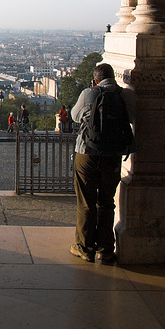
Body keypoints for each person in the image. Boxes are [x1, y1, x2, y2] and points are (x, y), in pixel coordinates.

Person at [70, 62, 135, 263]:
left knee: (86, 201)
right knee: (107, 202)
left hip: (87, 153)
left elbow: (74, 117)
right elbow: (132, 118)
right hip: (113, 154)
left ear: (95, 79)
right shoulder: (125, 95)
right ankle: (105, 249)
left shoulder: (89, 93)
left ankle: (84, 247)